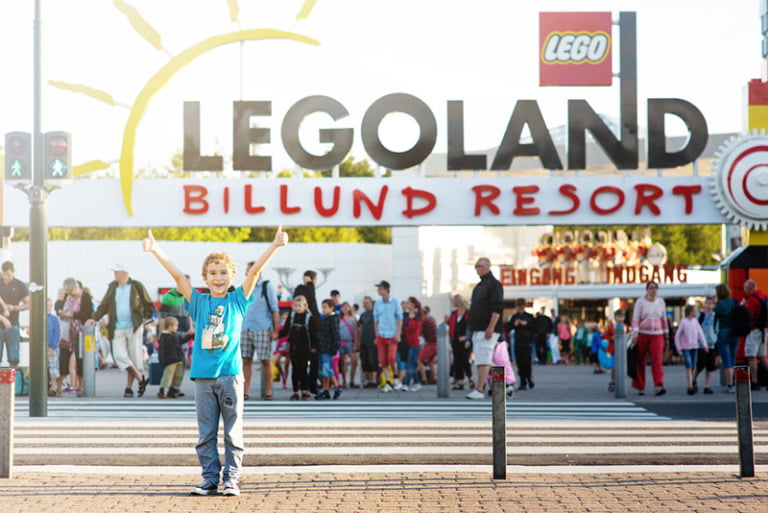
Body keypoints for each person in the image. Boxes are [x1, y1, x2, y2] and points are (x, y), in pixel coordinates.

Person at [143, 225, 288, 497]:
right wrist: (155, 250)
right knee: (206, 434)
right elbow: (176, 273)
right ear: (205, 278)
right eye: (212, 273)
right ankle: (209, 478)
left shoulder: (238, 300)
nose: (218, 277)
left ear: (232, 275)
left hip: (231, 376)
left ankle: (231, 479)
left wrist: (275, 245)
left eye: (223, 272)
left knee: (233, 433)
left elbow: (255, 271)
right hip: (203, 378)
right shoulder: (197, 302)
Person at [88, 264, 155, 398]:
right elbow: (105, 305)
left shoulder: (136, 286)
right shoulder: (113, 287)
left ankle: (128, 388)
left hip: (134, 326)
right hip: (118, 326)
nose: (115, 275)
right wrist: (95, 318)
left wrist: (144, 318)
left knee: (133, 357)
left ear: (124, 273)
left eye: (117, 272)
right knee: (119, 356)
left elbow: (148, 304)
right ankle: (141, 379)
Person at [466, 257, 504, 400]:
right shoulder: (479, 286)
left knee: (484, 360)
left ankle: (480, 389)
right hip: (478, 328)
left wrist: (491, 327)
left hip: (487, 328)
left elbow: (497, 307)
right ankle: (504, 384)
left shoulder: (494, 285)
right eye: (476, 267)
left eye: (479, 266)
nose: (477, 269)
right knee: (484, 359)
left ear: (487, 267)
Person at [240, 270, 280, 400]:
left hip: (263, 327)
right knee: (246, 360)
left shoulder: (266, 286)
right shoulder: (244, 288)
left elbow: (275, 309)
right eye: (247, 272)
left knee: (266, 361)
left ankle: (268, 391)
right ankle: (245, 390)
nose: (248, 274)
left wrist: (276, 330)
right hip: (246, 327)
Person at [57, 278, 94, 397]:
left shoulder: (85, 297)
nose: (70, 293)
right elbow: (58, 308)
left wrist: (72, 314)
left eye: (71, 290)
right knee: (63, 358)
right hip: (66, 330)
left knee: (80, 359)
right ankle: (58, 386)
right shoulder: (66, 296)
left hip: (80, 331)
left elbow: (87, 313)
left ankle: (81, 386)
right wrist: (60, 299)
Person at [631, 281, 669, 396]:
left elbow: (664, 319)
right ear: (647, 290)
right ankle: (640, 386)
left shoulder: (661, 302)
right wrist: (635, 332)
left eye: (656, 288)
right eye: (651, 288)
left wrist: (666, 334)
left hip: (657, 334)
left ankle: (658, 385)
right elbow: (635, 318)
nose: (654, 290)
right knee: (640, 360)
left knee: (657, 360)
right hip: (642, 333)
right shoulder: (640, 301)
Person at [278, 296, 317, 400]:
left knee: (303, 369)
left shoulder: (309, 318)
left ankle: (304, 390)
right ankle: (295, 391)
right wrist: (277, 335)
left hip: (305, 347)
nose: (297, 308)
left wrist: (314, 346)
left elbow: (313, 334)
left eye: (299, 306)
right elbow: (286, 330)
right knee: (295, 369)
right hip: (294, 347)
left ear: (304, 306)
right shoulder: (291, 317)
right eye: (295, 305)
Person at [373, 280, 403, 393]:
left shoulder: (395, 302)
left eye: (380, 288)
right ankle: (387, 382)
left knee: (391, 358)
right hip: (381, 334)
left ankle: (395, 377)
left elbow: (399, 318)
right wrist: (376, 335)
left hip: (392, 334)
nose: (378, 291)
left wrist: (398, 333)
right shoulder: (377, 303)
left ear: (386, 289)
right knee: (383, 360)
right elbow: (376, 320)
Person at [293, 270, 320, 393]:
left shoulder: (309, 289)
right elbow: (309, 300)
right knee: (301, 364)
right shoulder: (301, 289)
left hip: (312, 329)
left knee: (312, 362)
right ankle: (305, 386)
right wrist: (309, 285)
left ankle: (311, 384)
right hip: (304, 333)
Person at [0, 261, 30, 370]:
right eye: (3, 274)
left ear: (13, 272)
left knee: (14, 358)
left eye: (8, 274)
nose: (6, 277)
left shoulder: (20, 285)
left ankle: (13, 384)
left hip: (13, 325)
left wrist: (14, 308)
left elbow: (28, 303)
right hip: (1, 324)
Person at [674, 304, 709, 395]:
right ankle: (690, 385)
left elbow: (700, 334)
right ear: (690, 312)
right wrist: (679, 347)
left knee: (692, 366)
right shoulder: (683, 322)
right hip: (686, 347)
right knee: (689, 365)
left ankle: (691, 383)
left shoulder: (695, 322)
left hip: (694, 346)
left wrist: (704, 344)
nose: (696, 312)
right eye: (695, 311)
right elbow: (677, 335)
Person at [742, 279, 768, 391]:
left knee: (751, 357)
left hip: (754, 331)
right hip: (763, 331)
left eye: (745, 288)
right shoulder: (763, 296)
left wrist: (743, 306)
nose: (744, 291)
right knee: (762, 357)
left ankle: (754, 381)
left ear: (750, 288)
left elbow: (748, 316)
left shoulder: (752, 300)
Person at [315, 298, 342, 400]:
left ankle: (336, 386)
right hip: (322, 348)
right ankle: (325, 389)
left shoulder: (333, 319)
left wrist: (335, 347)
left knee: (327, 369)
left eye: (325, 307)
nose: (323, 309)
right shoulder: (324, 319)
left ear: (332, 308)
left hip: (328, 348)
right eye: (322, 307)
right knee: (323, 371)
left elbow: (336, 335)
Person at [714, 283, 739, 393]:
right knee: (733, 358)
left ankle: (729, 384)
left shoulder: (719, 305)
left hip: (723, 332)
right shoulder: (733, 302)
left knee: (726, 359)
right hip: (735, 332)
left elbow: (714, 318)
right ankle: (733, 382)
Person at [506, 299, 535, 391]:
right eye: (518, 306)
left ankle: (529, 378)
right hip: (518, 341)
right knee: (519, 362)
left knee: (527, 362)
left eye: (521, 305)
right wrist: (514, 324)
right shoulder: (514, 317)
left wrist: (526, 324)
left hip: (527, 341)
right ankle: (523, 381)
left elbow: (534, 328)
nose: (520, 307)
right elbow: (508, 328)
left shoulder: (529, 317)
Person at [156, 316, 186, 399]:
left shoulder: (175, 335)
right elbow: (161, 350)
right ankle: (163, 390)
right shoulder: (165, 336)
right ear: (170, 327)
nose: (177, 328)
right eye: (176, 326)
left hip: (178, 358)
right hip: (170, 360)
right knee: (168, 375)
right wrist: (162, 359)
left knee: (177, 376)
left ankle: (173, 390)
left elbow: (182, 340)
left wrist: (190, 336)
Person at [693, 297, 718, 394]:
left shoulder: (715, 316)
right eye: (707, 303)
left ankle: (706, 385)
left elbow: (716, 329)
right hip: (701, 344)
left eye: (710, 303)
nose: (708, 305)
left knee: (710, 366)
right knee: (700, 364)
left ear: (713, 305)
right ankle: (694, 379)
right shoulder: (701, 315)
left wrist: (715, 339)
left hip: (711, 343)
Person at [603, 309, 629, 392]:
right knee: (614, 367)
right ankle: (612, 381)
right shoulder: (612, 326)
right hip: (614, 349)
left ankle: (622, 382)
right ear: (615, 317)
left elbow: (629, 336)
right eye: (618, 317)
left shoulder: (626, 326)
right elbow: (606, 336)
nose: (620, 319)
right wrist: (612, 338)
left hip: (623, 349)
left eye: (622, 317)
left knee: (623, 367)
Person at [448, 294, 471, 390]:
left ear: (459, 301)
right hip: (455, 340)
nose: (453, 303)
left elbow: (471, 326)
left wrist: (467, 338)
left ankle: (470, 378)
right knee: (457, 360)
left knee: (465, 360)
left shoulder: (467, 313)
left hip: (465, 340)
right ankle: (460, 380)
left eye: (454, 301)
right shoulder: (454, 313)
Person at [402, 296, 424, 392]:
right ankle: (417, 382)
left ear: (413, 305)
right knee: (410, 364)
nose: (407, 304)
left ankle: (406, 384)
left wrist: (411, 316)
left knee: (411, 364)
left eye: (409, 303)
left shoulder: (417, 316)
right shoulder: (405, 316)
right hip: (406, 343)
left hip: (414, 343)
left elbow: (414, 329)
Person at [357, 296, 379, 388]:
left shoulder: (376, 313)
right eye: (364, 302)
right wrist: (358, 341)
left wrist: (377, 337)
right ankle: (369, 380)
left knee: (372, 360)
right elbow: (360, 327)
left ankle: (374, 381)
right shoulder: (363, 315)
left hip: (372, 340)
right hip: (364, 341)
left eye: (367, 302)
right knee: (365, 361)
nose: (365, 304)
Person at [337, 301, 358, 388]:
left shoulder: (353, 319)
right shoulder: (339, 319)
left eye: (347, 307)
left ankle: (352, 380)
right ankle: (344, 381)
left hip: (350, 342)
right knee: (342, 362)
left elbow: (356, 332)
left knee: (354, 360)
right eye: (343, 307)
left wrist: (356, 343)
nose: (345, 309)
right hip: (341, 342)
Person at [418, 306, 438, 387]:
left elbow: (419, 333)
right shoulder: (432, 319)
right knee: (430, 361)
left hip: (431, 344)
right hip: (436, 344)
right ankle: (434, 378)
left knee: (419, 360)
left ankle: (424, 379)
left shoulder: (424, 321)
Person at [46, 298, 61, 397]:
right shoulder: (37, 318)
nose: (49, 308)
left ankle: (54, 386)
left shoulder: (54, 319)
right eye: (47, 305)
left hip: (52, 347)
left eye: (50, 305)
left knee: (53, 367)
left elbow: (57, 333)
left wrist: (53, 347)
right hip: (41, 348)